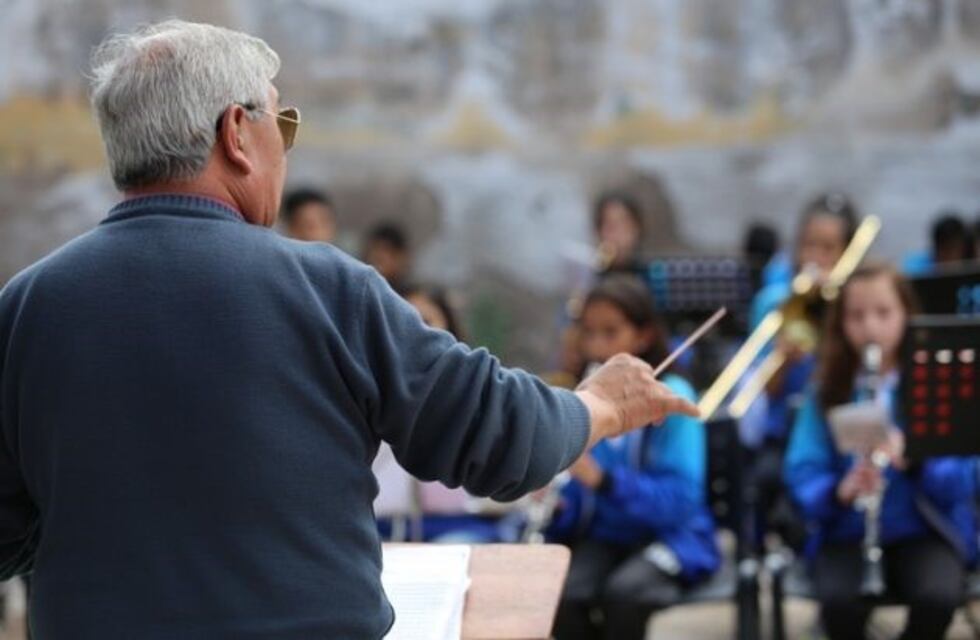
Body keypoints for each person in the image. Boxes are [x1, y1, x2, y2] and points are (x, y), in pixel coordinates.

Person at [0, 21, 700, 639]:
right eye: (285, 123)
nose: (287, 146)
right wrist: (601, 403)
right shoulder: (325, 289)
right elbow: (497, 437)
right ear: (237, 134)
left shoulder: (26, 308)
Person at [783, 263, 977, 640]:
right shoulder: (826, 390)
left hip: (925, 528)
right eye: (857, 315)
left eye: (884, 313)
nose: (870, 327)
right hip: (847, 532)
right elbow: (802, 469)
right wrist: (840, 489)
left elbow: (965, 477)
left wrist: (915, 459)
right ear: (841, 323)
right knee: (838, 604)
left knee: (938, 597)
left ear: (907, 314)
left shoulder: (935, 381)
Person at [550, 276, 720, 640]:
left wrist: (603, 481)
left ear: (643, 336)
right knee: (561, 594)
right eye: (589, 333)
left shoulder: (671, 394)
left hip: (674, 536)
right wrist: (558, 499)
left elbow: (681, 502)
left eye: (610, 333)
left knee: (625, 596)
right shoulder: (583, 395)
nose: (596, 347)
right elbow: (580, 504)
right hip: (608, 535)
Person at [373, 284, 502, 543]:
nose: (414, 331)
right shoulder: (369, 391)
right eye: (403, 319)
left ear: (449, 327)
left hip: (458, 530)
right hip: (383, 533)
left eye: (426, 320)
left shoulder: (477, 391)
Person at [902, 212, 976, 275]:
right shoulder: (916, 267)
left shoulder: (972, 269)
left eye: (954, 248)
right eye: (946, 249)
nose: (950, 255)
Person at [593, 191, 645, 276]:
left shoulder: (653, 275)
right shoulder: (592, 275)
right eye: (609, 225)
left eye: (622, 223)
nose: (616, 235)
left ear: (637, 228)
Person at [363, 222, 412, 289]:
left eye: (385, 250)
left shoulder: (412, 297)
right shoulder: (361, 292)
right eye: (375, 249)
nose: (378, 256)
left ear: (400, 257)